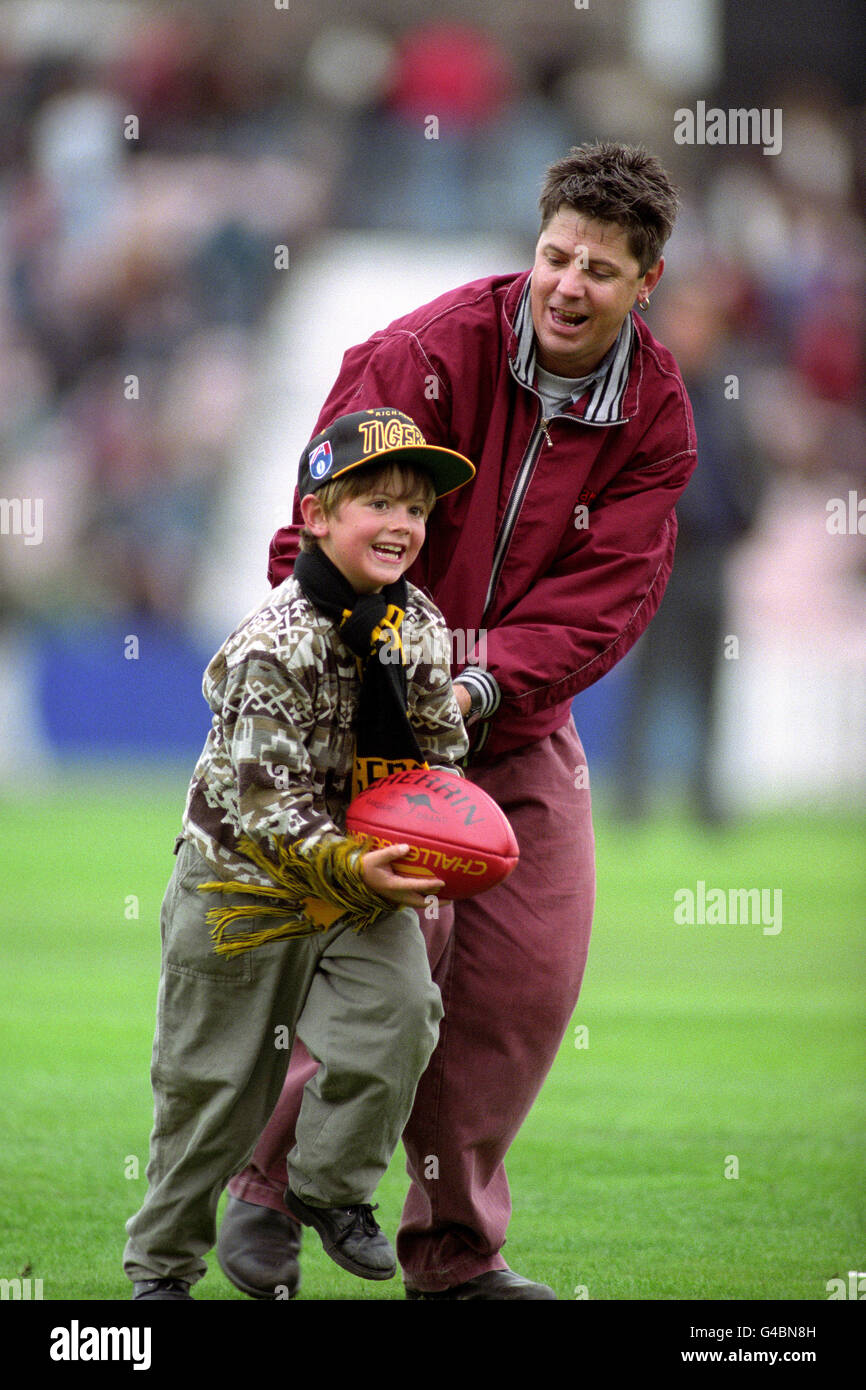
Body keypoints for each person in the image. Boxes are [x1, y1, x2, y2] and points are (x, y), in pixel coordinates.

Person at [217, 141, 698, 1300]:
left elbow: (609, 598)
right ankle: (267, 1192)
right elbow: (311, 535)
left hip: (515, 715)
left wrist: (477, 687)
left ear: (648, 283)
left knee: (527, 981)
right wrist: (387, 680)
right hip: (369, 690)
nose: (568, 285)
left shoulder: (659, 415)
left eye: (600, 269)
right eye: (554, 256)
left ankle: (454, 1256)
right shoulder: (421, 354)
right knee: (393, 954)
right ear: (532, 248)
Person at [123, 407, 475, 1299]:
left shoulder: (422, 627)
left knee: (400, 1015)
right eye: (378, 504)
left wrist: (447, 823)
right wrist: (361, 864)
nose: (402, 524)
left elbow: (438, 757)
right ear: (317, 515)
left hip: (361, 882)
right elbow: (265, 806)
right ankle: (160, 1274)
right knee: (211, 1096)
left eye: (418, 509)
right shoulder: (272, 642)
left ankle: (325, 1191)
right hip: (241, 887)